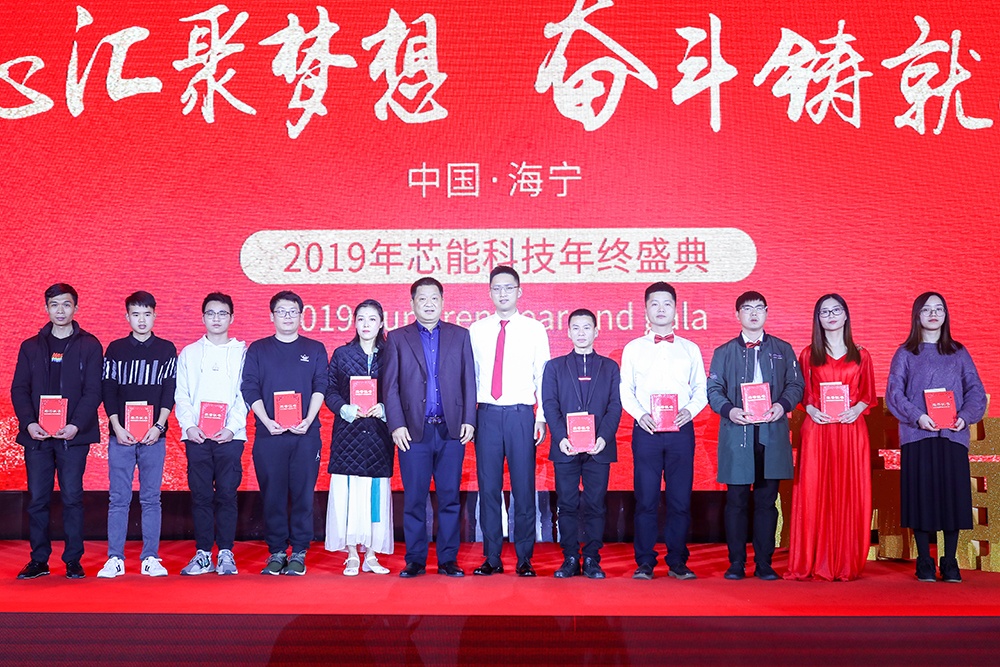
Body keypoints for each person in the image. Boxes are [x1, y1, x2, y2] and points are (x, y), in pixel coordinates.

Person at [886, 292, 986, 583]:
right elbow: (895, 393)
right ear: (917, 315)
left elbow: (975, 390)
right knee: (921, 497)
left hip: (952, 435)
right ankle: (924, 561)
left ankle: (950, 561)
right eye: (927, 309)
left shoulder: (958, 352)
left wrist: (965, 416)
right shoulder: (906, 352)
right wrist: (917, 416)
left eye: (939, 309)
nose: (933, 314)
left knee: (953, 497)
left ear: (945, 315)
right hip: (918, 434)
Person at [707, 291, 803, 581]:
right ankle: (736, 563)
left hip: (771, 434)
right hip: (738, 433)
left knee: (766, 501)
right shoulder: (723, 352)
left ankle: (764, 563)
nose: (753, 313)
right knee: (736, 501)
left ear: (766, 312)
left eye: (759, 308)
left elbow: (796, 385)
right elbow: (713, 390)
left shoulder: (783, 349)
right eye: (747, 309)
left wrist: (782, 405)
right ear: (737, 314)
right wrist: (730, 410)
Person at [384, 278, 476, 578]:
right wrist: (396, 424)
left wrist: (469, 419)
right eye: (422, 298)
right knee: (414, 499)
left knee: (450, 498)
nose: (428, 304)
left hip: (451, 431)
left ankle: (448, 559)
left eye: (434, 298)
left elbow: (469, 381)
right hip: (413, 432)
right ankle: (415, 560)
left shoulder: (460, 335)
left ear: (442, 302)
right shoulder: (397, 338)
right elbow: (390, 386)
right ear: (412, 303)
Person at [11, 283, 103, 580]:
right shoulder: (31, 346)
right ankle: (39, 560)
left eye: (66, 304)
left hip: (73, 437)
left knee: (73, 497)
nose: (60, 310)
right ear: (46, 308)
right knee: (38, 499)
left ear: (76, 308)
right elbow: (19, 389)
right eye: (54, 305)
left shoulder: (90, 345)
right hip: (37, 437)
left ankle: (73, 560)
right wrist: (29, 423)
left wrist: (75, 424)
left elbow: (94, 390)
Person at [785, 294, 875, 581]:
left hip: (851, 429)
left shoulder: (861, 354)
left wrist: (856, 409)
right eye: (825, 312)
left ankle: (845, 561)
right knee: (814, 491)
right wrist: (811, 409)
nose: (831, 316)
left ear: (846, 315)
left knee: (849, 492)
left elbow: (868, 394)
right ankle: (812, 560)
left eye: (836, 310)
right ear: (818, 319)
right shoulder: (807, 354)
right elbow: (803, 392)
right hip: (818, 428)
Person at [620, 282, 707, 580]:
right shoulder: (633, 348)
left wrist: (689, 411)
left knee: (680, 499)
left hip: (681, 430)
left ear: (675, 309)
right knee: (646, 499)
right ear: (645, 309)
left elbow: (701, 389)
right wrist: (641, 415)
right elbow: (626, 390)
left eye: (666, 303)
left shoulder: (690, 349)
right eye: (654, 304)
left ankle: (677, 561)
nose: (661, 309)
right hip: (646, 431)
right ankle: (645, 561)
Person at [468, 266, 550, 576]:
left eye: (508, 287)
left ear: (519, 291)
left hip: (520, 415)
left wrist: (541, 417)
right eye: (497, 288)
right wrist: (470, 418)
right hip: (487, 414)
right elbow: (471, 378)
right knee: (489, 489)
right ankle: (492, 557)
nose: (502, 293)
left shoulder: (534, 329)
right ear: (489, 292)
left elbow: (542, 376)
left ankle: (524, 558)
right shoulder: (476, 330)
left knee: (523, 488)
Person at [242, 291, 328, 576]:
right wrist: (266, 421)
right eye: (281, 311)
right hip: (269, 435)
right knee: (273, 495)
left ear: (301, 316)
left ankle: (300, 551)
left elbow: (321, 386)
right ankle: (277, 551)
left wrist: (308, 419)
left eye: (293, 311)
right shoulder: (258, 349)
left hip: (305, 435)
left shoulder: (315, 348)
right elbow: (249, 387)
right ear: (271, 316)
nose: (287, 316)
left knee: (303, 495)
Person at [98, 291, 178, 578]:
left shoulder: (166, 349)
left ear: (155, 315)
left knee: (151, 498)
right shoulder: (116, 349)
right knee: (118, 498)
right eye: (135, 314)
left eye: (146, 314)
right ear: (127, 317)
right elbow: (108, 389)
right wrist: (117, 427)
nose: (141, 320)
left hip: (154, 437)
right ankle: (115, 558)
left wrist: (159, 426)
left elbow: (169, 390)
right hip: (120, 436)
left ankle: (150, 558)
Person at [542, 308, 622, 579]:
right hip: (565, 447)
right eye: (575, 328)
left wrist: (603, 438)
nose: (581, 333)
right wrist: (560, 438)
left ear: (596, 331)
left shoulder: (610, 367)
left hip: (599, 447)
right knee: (566, 504)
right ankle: (569, 557)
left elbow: (615, 406)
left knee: (596, 504)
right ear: (567, 332)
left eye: (587, 327)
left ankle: (591, 559)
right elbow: (549, 405)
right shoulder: (554, 367)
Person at [174, 292, 248, 576]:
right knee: (201, 495)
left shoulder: (243, 353)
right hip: (197, 436)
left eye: (222, 314)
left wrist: (231, 427)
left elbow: (245, 393)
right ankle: (203, 554)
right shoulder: (189, 353)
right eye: (211, 313)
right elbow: (182, 394)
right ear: (203, 317)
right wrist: (189, 426)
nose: (216, 319)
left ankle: (226, 552)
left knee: (227, 494)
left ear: (232, 317)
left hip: (231, 437)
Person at [324, 299, 395, 576]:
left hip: (379, 435)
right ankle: (352, 552)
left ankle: (372, 554)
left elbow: (400, 390)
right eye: (361, 319)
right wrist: (344, 408)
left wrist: (386, 409)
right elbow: (329, 391)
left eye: (372, 319)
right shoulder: (342, 354)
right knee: (349, 495)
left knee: (375, 497)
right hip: (348, 434)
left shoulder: (391, 354)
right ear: (354, 323)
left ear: (381, 323)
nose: (366, 324)